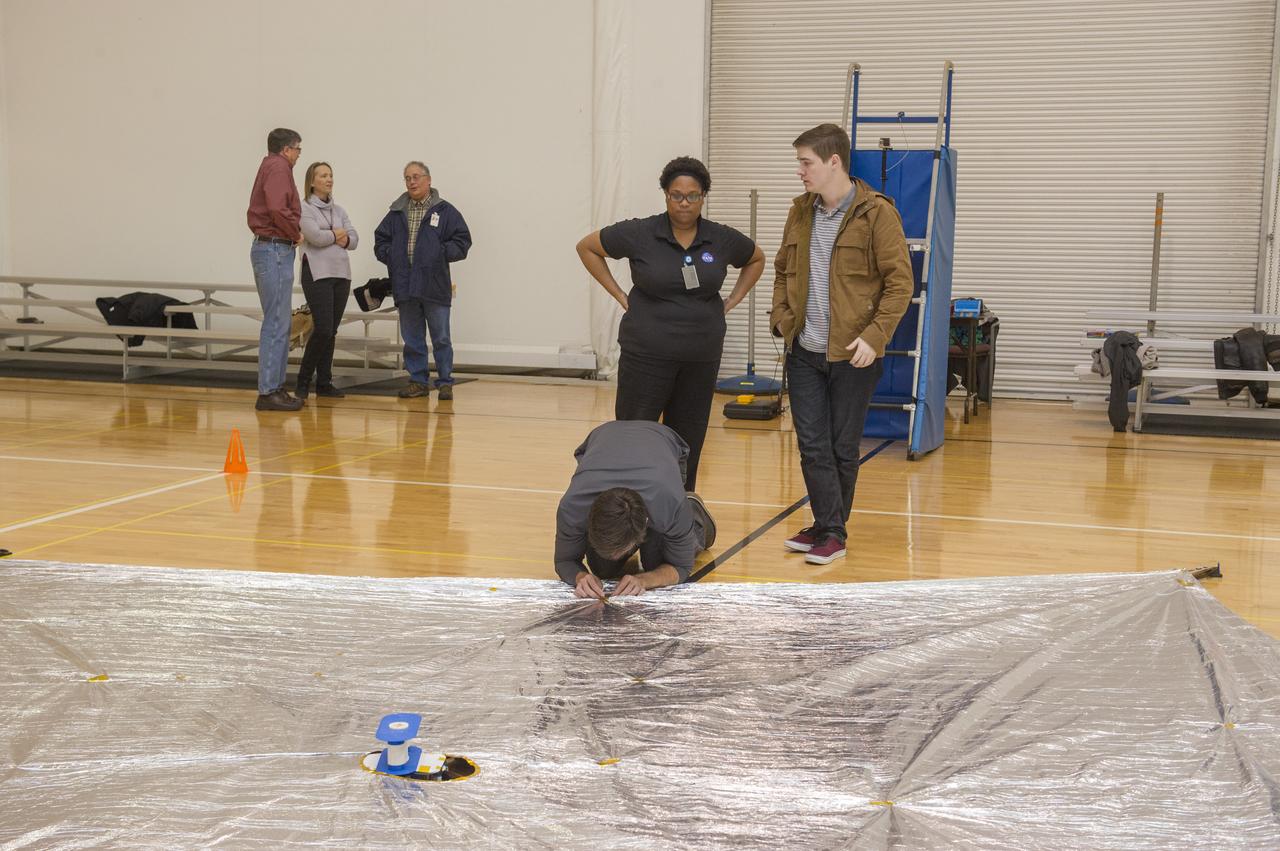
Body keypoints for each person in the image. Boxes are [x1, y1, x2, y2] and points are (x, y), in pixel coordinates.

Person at [576, 156, 765, 493]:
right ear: (665, 194)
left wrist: (732, 301)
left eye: (693, 195)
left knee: (687, 438)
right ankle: (630, 511)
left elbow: (755, 258)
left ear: (704, 196)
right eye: (676, 195)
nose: (684, 203)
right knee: (636, 435)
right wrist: (620, 294)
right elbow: (588, 247)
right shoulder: (640, 233)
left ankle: (680, 510)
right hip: (646, 355)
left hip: (700, 356)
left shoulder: (720, 239)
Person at [771, 123, 913, 565]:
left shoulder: (878, 214)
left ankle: (830, 529)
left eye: (805, 162)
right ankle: (827, 527)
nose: (800, 171)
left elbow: (900, 284)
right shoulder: (800, 213)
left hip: (853, 354)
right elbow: (781, 271)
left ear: (834, 162)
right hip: (805, 350)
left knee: (840, 447)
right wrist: (782, 320)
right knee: (811, 445)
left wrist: (875, 337)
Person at [555, 421, 716, 599]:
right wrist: (581, 577)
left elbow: (681, 567)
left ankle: (694, 516)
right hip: (604, 436)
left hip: (663, 440)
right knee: (603, 569)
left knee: (655, 563)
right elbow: (565, 560)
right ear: (589, 523)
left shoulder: (669, 503)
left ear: (645, 524)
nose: (616, 556)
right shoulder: (572, 508)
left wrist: (644, 580)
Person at [373, 161, 471, 401]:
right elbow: (380, 240)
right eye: (407, 178)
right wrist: (391, 256)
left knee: (441, 338)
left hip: (434, 285)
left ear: (428, 180)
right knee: (413, 339)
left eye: (416, 177)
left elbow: (463, 241)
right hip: (405, 285)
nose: (412, 182)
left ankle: (445, 382)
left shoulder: (445, 211)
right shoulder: (396, 212)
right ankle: (418, 381)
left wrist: (439, 253)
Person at [246, 127, 305, 412]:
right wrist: (295, 232)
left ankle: (275, 387)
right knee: (276, 322)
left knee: (279, 321)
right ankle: (269, 390)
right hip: (274, 248)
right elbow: (278, 209)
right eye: (298, 150)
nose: (298, 155)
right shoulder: (279, 167)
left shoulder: (270, 165)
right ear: (287, 149)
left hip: (270, 248)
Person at [296, 161, 358, 400]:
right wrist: (336, 234)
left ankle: (324, 382)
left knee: (331, 330)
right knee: (321, 329)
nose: (329, 179)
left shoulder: (339, 210)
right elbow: (315, 238)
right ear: (312, 182)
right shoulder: (304, 208)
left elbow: (354, 240)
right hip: (316, 274)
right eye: (323, 175)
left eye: (330, 175)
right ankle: (303, 381)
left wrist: (335, 236)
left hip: (341, 274)